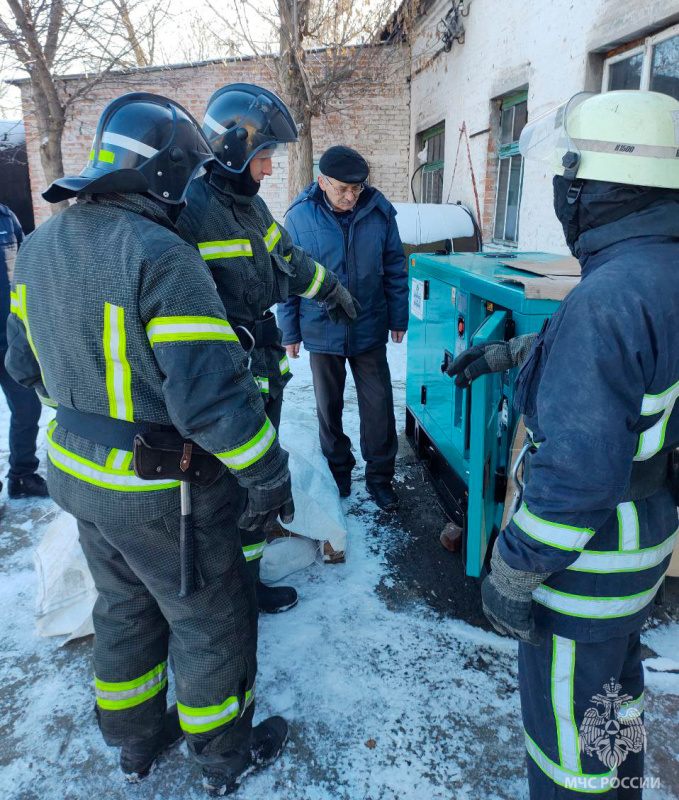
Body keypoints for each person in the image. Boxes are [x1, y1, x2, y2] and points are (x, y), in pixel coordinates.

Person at [6, 92, 293, 796]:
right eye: (190, 174)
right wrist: (268, 475)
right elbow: (214, 400)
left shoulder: (39, 245)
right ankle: (223, 758)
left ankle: (133, 744)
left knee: (124, 608)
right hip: (160, 491)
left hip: (75, 473)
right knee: (209, 620)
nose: (196, 186)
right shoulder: (163, 257)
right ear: (165, 175)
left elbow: (20, 364)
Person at [447, 90, 679, 798]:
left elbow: (576, 474)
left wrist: (513, 572)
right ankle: (621, 781)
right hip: (640, 550)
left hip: (585, 569)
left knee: (563, 739)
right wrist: (513, 353)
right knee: (610, 693)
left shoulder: (608, 297)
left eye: (570, 171)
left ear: (595, 185)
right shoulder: (655, 269)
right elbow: (634, 367)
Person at [177, 83, 359, 613]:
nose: (270, 170)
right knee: (230, 491)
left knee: (259, 492)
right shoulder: (190, 213)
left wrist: (331, 289)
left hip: (263, 367)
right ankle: (224, 596)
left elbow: (290, 259)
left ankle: (249, 585)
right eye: (264, 157)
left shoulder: (250, 209)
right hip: (223, 378)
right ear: (236, 150)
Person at [278, 146, 408, 511]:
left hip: (369, 325)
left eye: (357, 188)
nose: (351, 196)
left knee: (379, 406)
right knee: (328, 408)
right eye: (343, 189)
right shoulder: (300, 217)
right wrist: (289, 331)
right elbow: (288, 277)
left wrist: (399, 317)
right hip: (321, 328)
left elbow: (395, 266)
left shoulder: (379, 211)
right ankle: (338, 473)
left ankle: (380, 478)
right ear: (322, 182)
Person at [0, 204, 48, 500]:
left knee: (28, 409)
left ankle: (22, 476)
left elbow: (25, 267)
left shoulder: (6, 215)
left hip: (10, 337)